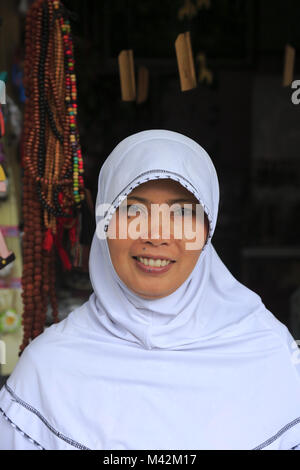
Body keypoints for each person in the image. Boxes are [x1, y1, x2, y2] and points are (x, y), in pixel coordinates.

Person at [0, 129, 300, 450]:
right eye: (133, 210)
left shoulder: (271, 355)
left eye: (183, 213)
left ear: (208, 229)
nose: (156, 236)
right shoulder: (45, 373)